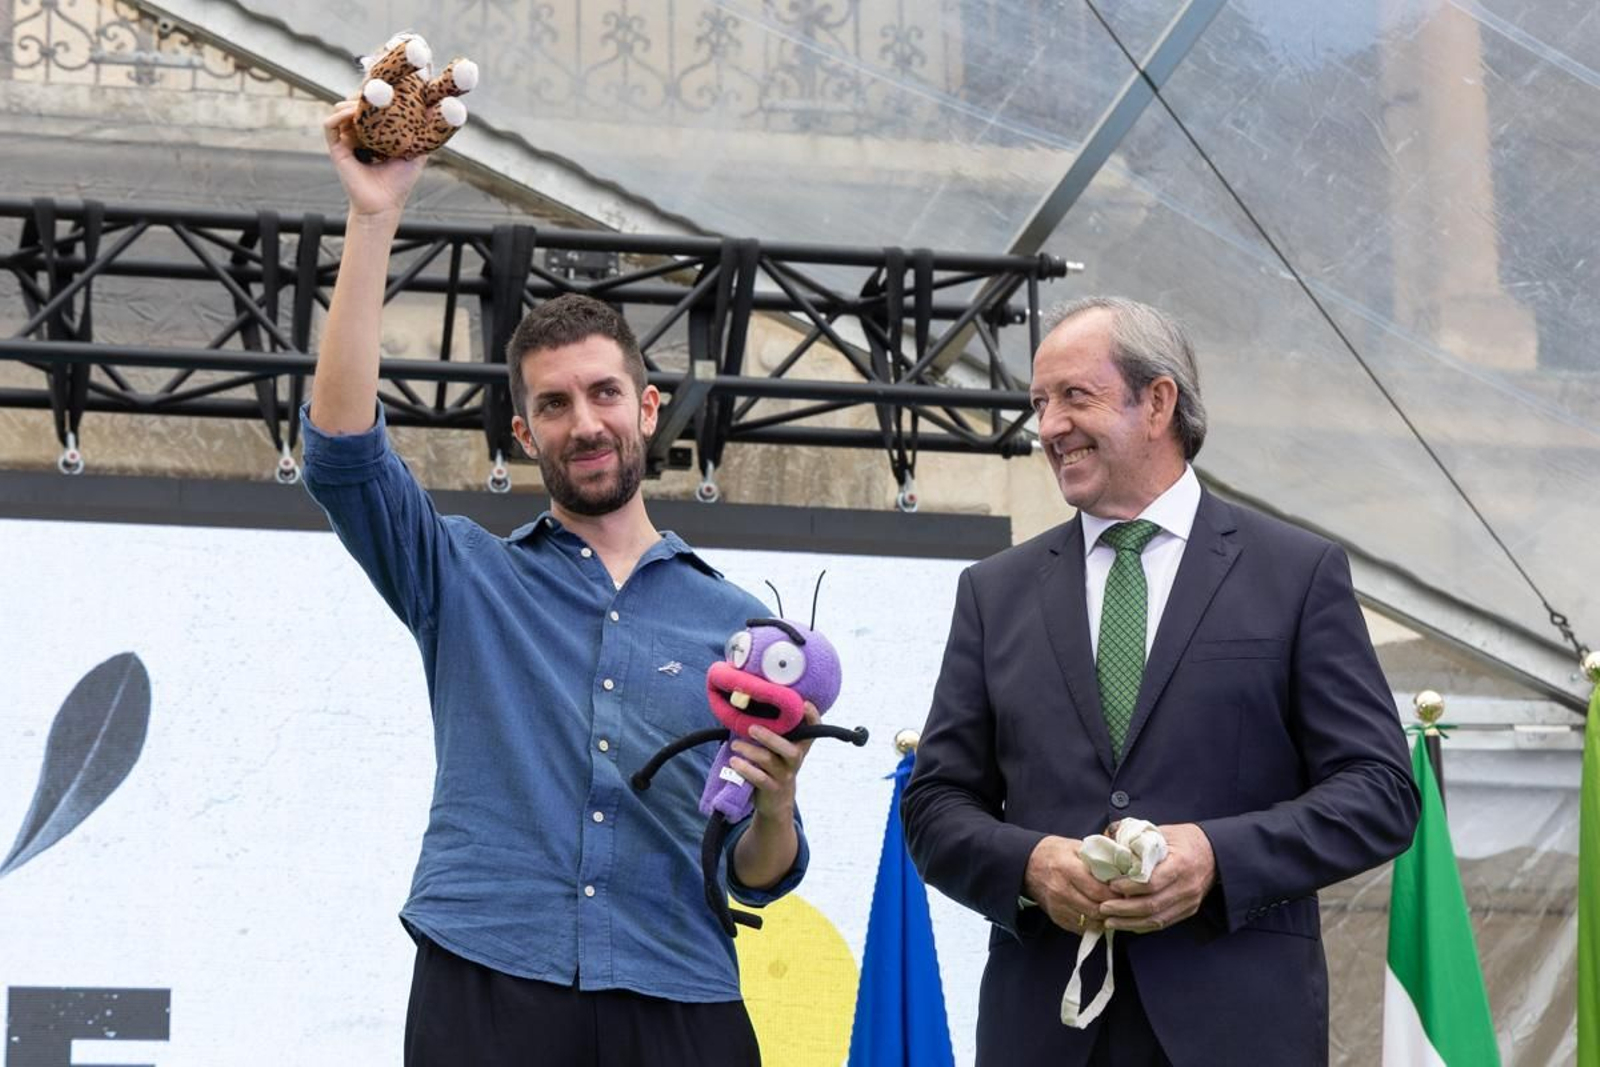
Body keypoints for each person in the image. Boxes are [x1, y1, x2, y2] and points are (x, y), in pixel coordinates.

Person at [303, 98, 817, 1067]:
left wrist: (779, 804)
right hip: (489, 972)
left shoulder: (743, 626)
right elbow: (340, 458)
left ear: (647, 406)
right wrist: (374, 218)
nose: (584, 422)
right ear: (520, 433)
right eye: (552, 403)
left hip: (679, 986)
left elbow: (757, 876)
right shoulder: (461, 574)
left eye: (603, 393)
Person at [901, 296, 1419, 1067]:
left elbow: (1380, 791)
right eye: (1039, 403)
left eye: (1075, 396)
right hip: (1046, 1035)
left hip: (1239, 1034)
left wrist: (1216, 856)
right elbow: (936, 805)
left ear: (1159, 402)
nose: (1048, 426)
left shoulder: (1296, 574)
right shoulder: (993, 592)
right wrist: (1032, 866)